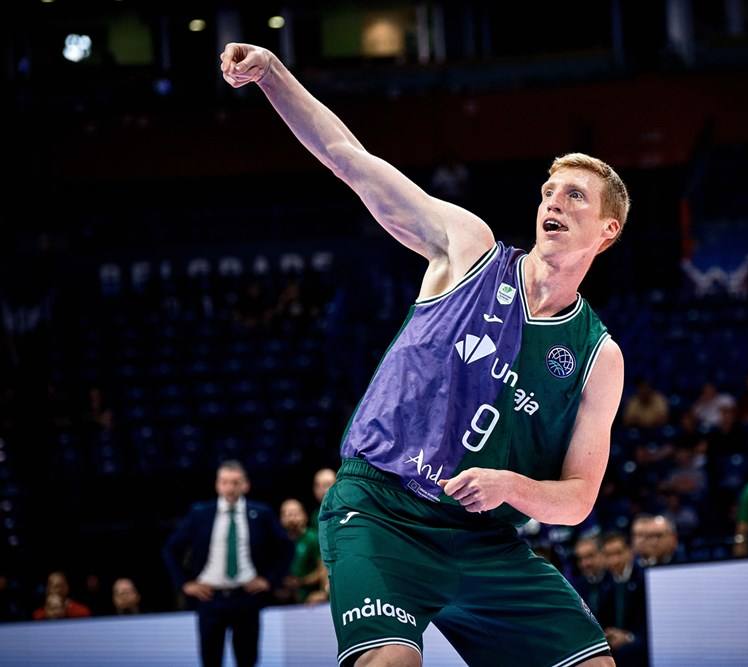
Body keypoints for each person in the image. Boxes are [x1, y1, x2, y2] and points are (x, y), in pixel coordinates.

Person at [220, 42, 626, 667]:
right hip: (382, 508)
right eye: (549, 191)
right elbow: (348, 161)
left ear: (608, 230)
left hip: (484, 539)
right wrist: (273, 75)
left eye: (575, 196)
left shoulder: (599, 357)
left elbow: (577, 500)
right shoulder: (470, 249)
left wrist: (509, 485)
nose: (553, 201)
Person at [162, 461, 293, 667]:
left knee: (247, 659)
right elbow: (171, 549)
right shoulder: (200, 514)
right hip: (210, 599)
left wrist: (269, 580)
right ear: (217, 485)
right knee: (210, 660)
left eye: (235, 482)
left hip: (246, 599)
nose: (230, 488)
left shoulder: (261, 513)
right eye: (224, 482)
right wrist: (185, 584)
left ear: (245, 485)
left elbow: (286, 547)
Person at [597, 534, 648, 667]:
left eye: (618, 553)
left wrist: (629, 637)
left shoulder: (644, 578)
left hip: (641, 646)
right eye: (609, 555)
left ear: (630, 551)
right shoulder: (604, 583)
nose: (614, 560)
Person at [278, 498, 323, 604]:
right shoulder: (278, 541)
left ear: (304, 516)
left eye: (296, 513)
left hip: (311, 595)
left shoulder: (313, 538)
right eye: (287, 514)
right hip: (285, 597)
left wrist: (302, 582)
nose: (292, 518)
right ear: (281, 519)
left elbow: (323, 568)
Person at [569, 535, 609, 620]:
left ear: (602, 554)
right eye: (581, 559)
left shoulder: (614, 580)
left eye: (590, 556)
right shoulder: (576, 588)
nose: (585, 563)